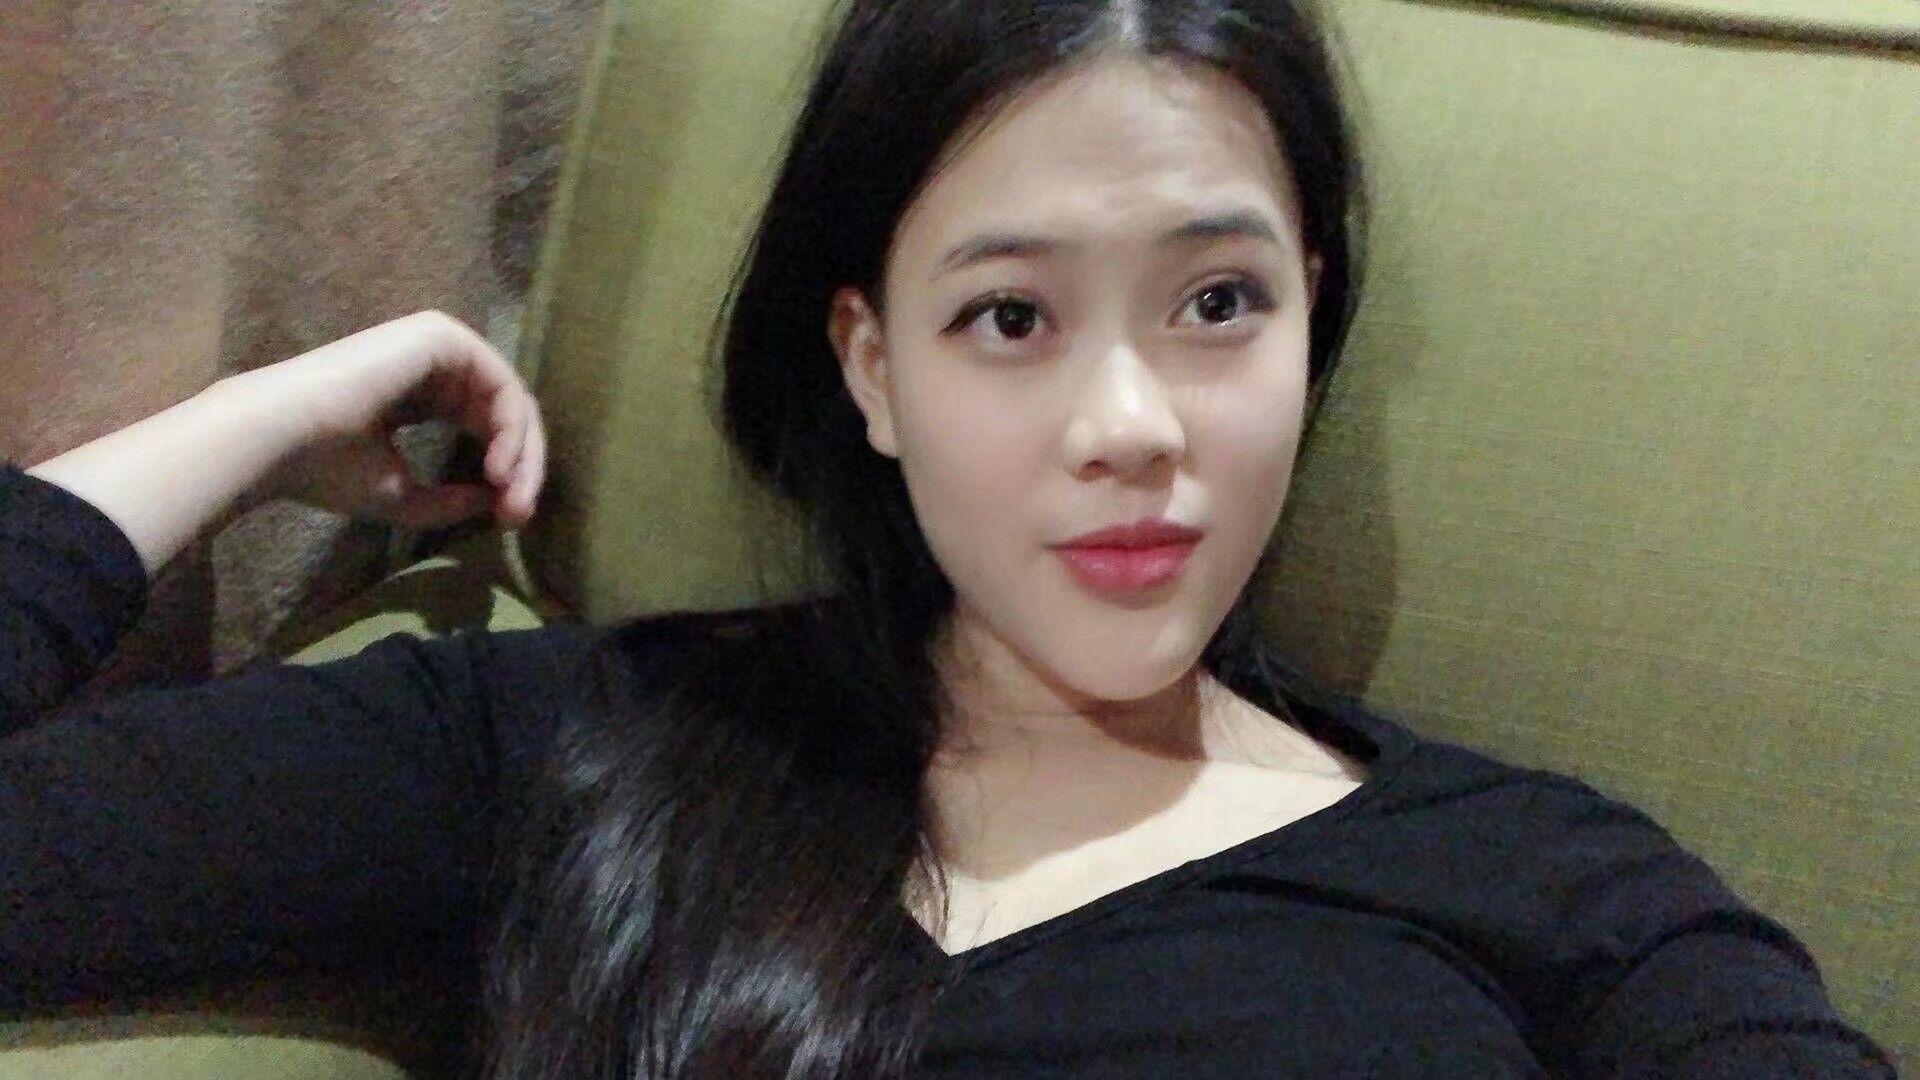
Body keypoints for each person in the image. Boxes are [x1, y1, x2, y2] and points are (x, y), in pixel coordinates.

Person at [1, 0, 1900, 1077]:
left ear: (1311, 314)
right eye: (1009, 316)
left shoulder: (1553, 889)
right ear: (873, 366)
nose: (1131, 424)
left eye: (1218, 303)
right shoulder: (579, 742)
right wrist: (245, 428)